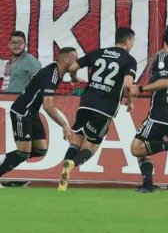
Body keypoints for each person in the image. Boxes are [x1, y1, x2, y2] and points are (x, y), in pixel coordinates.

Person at [58, 27, 138, 192]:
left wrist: (73, 78)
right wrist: (130, 102)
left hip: (86, 102)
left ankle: (63, 178)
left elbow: (72, 67)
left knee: (76, 140)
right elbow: (129, 85)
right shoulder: (129, 60)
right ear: (128, 41)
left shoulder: (98, 52)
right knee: (91, 147)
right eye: (133, 41)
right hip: (105, 107)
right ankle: (72, 164)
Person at [0, 48, 76, 189]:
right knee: (23, 153)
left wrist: (74, 77)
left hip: (31, 113)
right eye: (75, 59)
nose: (77, 62)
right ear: (66, 59)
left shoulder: (56, 72)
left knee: (40, 150)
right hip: (22, 111)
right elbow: (48, 105)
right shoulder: (52, 74)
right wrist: (65, 125)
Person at [128, 23, 168, 193]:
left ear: (164, 36)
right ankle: (148, 185)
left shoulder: (163, 57)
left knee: (136, 149)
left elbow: (165, 82)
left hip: (159, 113)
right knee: (144, 146)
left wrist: (140, 89)